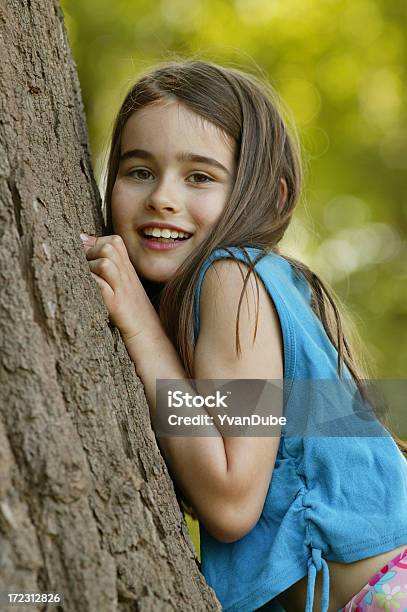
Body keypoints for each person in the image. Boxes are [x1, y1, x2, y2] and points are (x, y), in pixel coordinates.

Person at [80, 60, 407, 611]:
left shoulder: (233, 276)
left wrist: (140, 327)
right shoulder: (260, 291)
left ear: (270, 196)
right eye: (139, 171)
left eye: (200, 177)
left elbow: (231, 500)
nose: (163, 196)